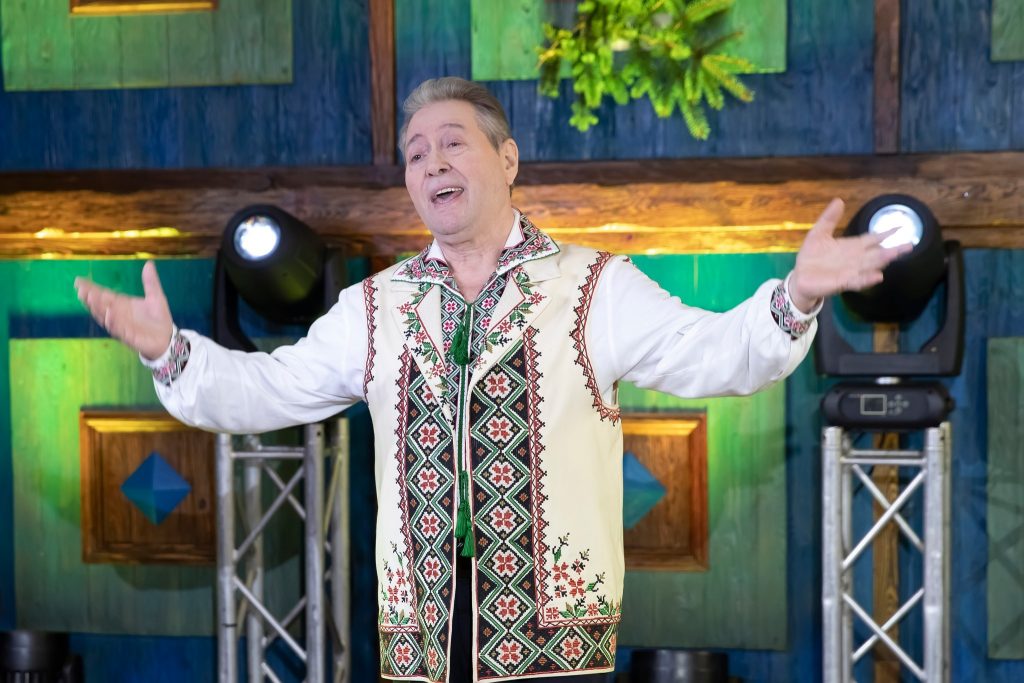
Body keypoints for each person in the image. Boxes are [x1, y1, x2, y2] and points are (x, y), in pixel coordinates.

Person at [75, 77, 909, 683]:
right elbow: (267, 389)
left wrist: (797, 295)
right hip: (421, 642)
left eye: (451, 143)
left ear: (507, 159)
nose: (431, 161)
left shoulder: (592, 286)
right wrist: (169, 352)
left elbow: (717, 353)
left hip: (554, 646)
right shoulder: (377, 306)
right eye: (415, 153)